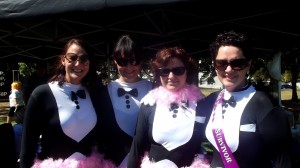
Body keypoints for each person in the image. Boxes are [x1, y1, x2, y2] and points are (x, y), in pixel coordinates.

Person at [197, 30, 293, 168]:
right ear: (214, 65)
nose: (229, 69)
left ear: (248, 64)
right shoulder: (211, 100)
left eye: (237, 63)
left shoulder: (264, 104)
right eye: (221, 63)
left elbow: (283, 161)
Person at [19, 38, 115, 168]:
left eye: (84, 59)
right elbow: (28, 146)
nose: (78, 63)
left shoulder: (95, 93)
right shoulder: (42, 94)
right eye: (72, 57)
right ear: (63, 60)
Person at [127, 46, 209, 168]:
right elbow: (137, 146)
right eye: (164, 71)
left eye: (178, 70)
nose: (171, 76)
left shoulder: (202, 103)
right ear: (158, 74)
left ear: (187, 71)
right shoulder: (149, 103)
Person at [95, 35, 153, 167]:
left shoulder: (155, 89)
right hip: (112, 162)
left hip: (147, 162)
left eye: (134, 61)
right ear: (115, 60)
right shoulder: (102, 93)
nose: (129, 67)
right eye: (123, 61)